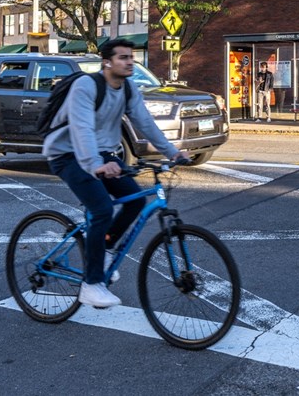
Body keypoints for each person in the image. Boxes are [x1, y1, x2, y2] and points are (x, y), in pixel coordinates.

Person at [42, 38, 191, 309]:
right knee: (101, 209)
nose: (130, 62)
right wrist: (95, 164)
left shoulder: (128, 88)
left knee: (135, 200)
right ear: (107, 62)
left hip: (104, 153)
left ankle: (105, 249)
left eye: (131, 57)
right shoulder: (86, 86)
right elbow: (82, 129)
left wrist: (171, 151)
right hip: (68, 153)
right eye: (123, 57)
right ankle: (91, 285)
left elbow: (144, 122)